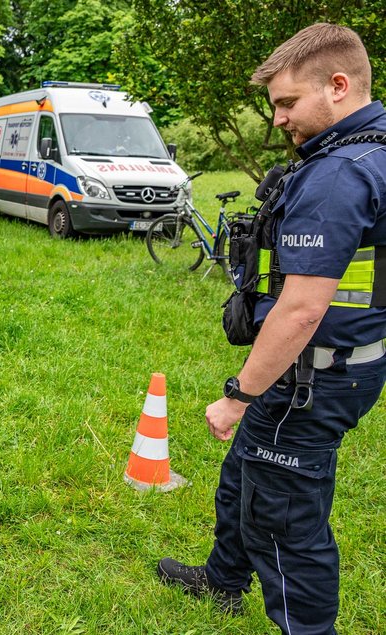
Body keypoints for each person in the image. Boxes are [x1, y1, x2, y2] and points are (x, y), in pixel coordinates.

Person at [157, 23, 386, 634]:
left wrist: (239, 396)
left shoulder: (339, 174)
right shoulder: (376, 152)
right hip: (347, 365)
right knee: (245, 475)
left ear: (339, 86)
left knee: (284, 519)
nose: (280, 119)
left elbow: (301, 310)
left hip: (310, 376)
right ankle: (224, 579)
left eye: (288, 103)